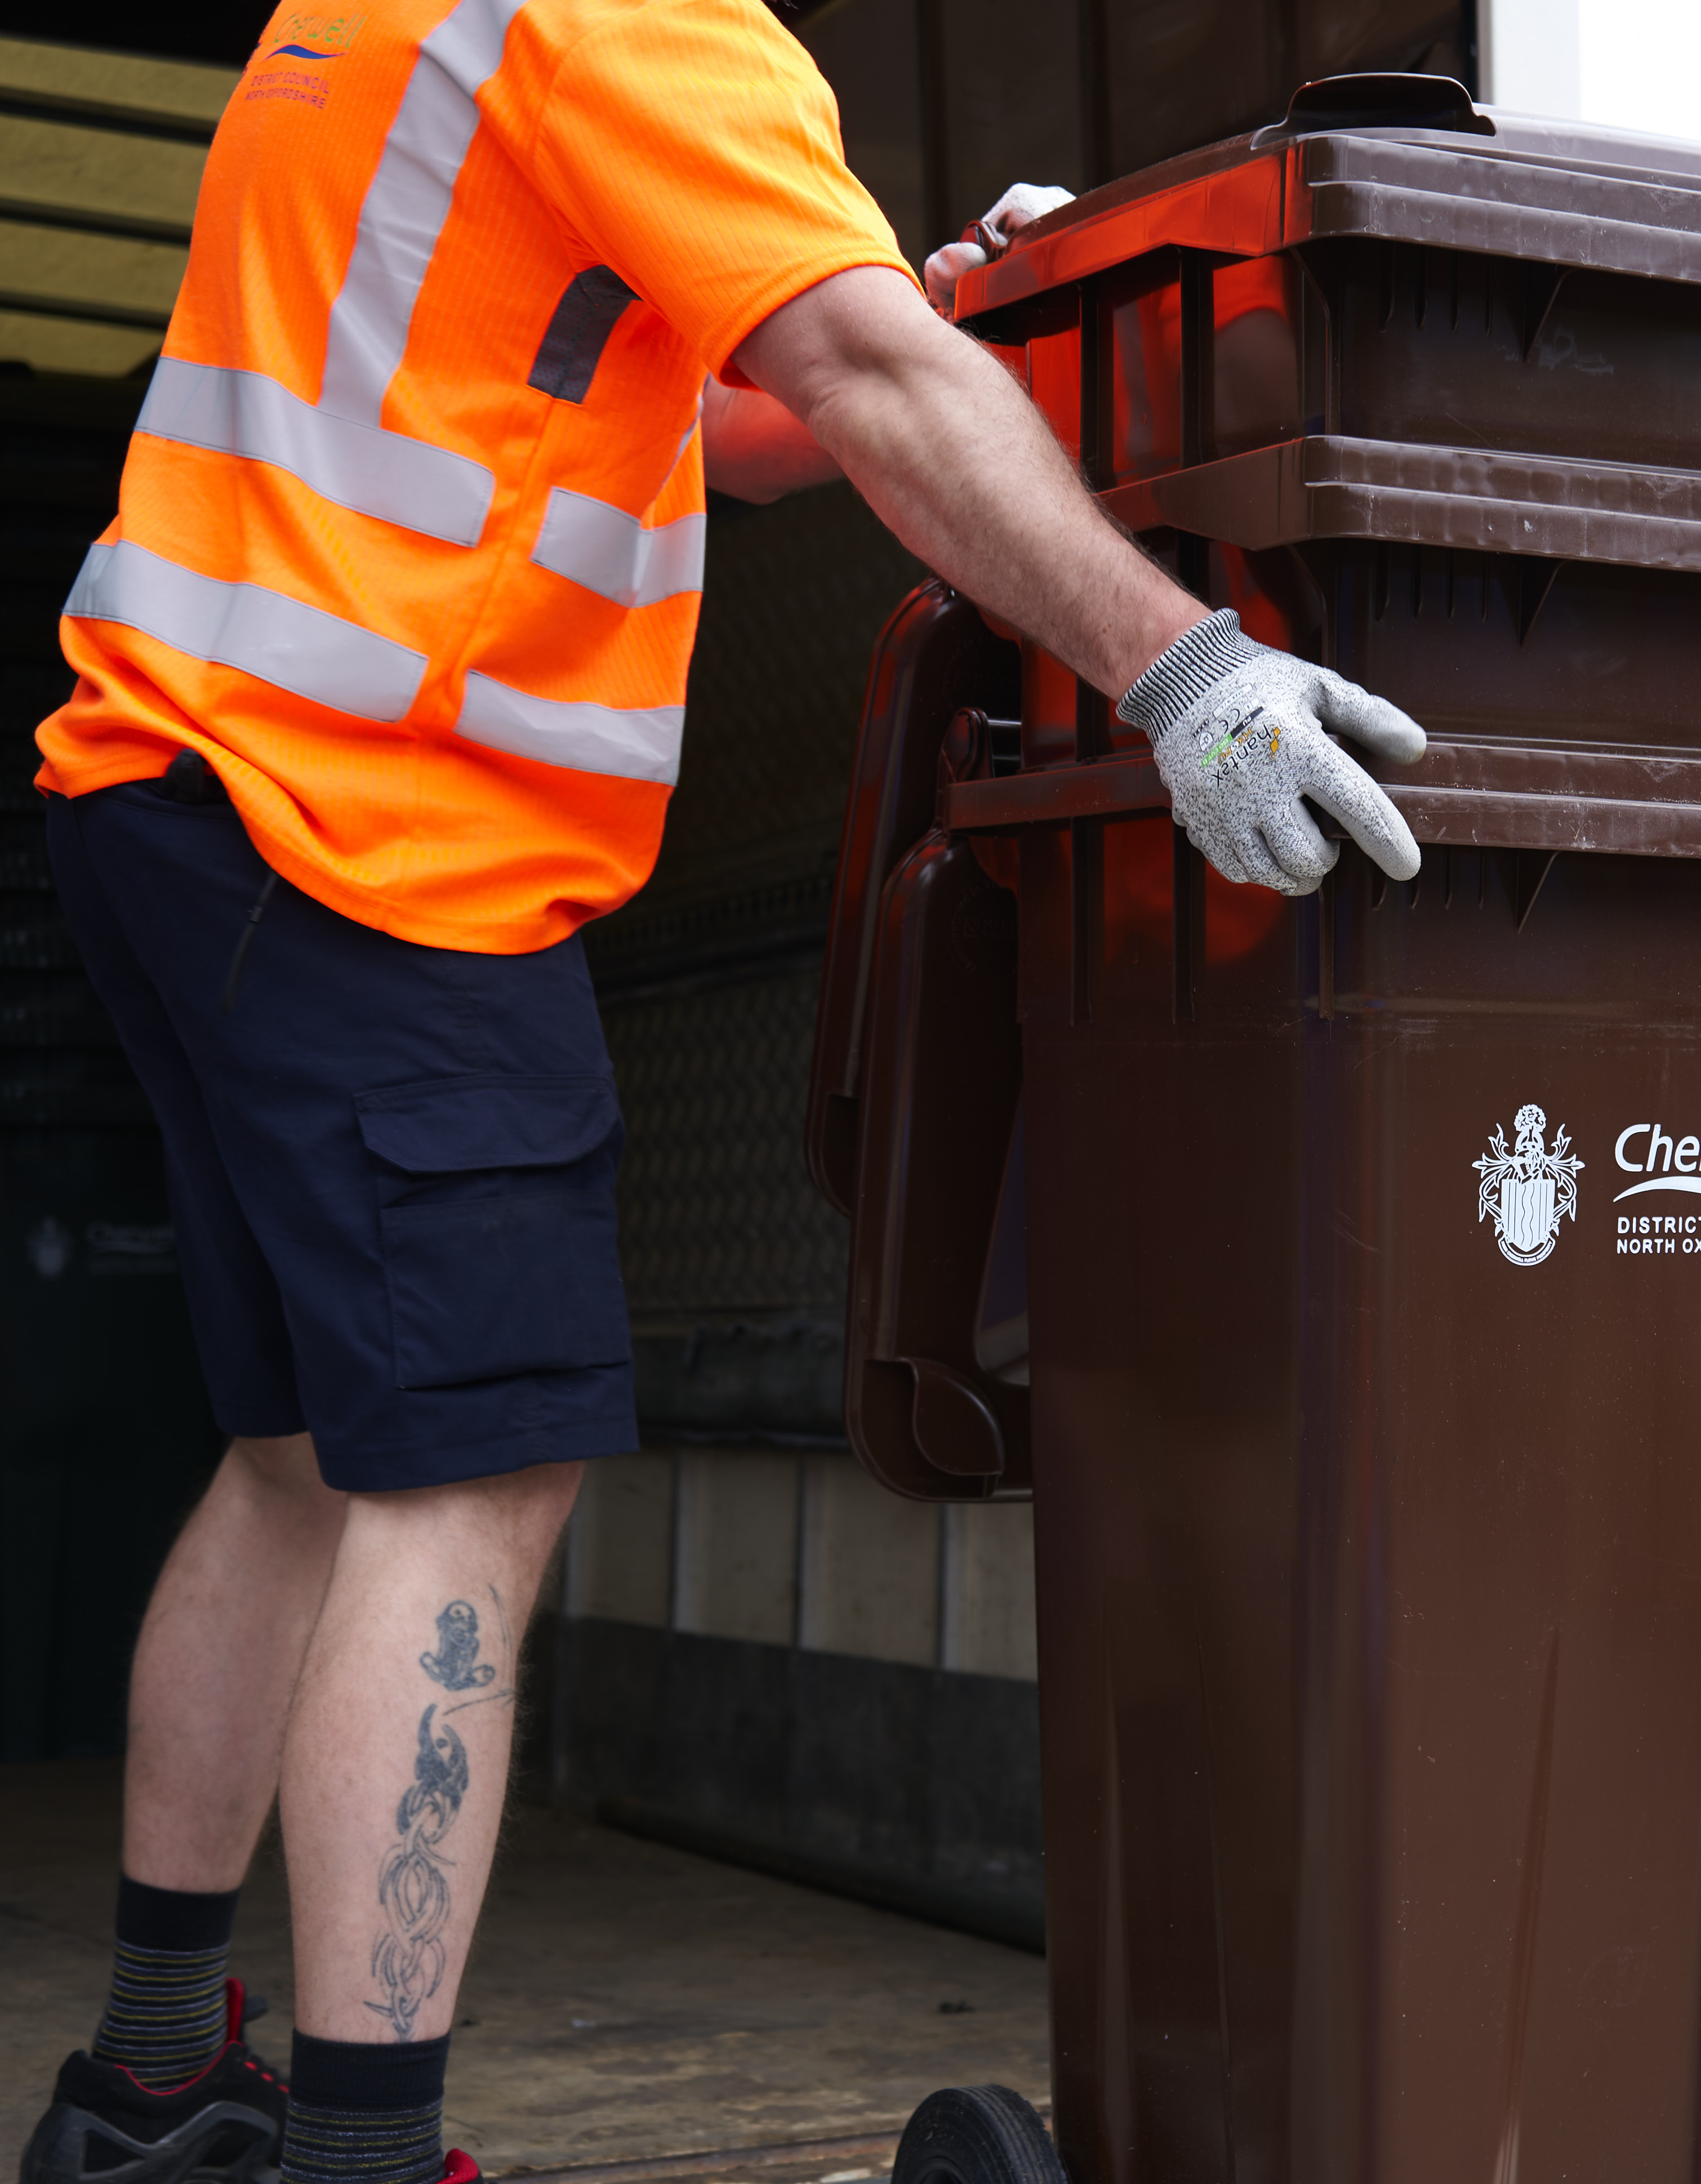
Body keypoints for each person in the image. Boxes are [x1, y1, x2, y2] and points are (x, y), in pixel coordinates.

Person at [19, 7, 1426, 2184]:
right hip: (377, 833)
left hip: (181, 782)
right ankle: (362, 2155)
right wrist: (1189, 670)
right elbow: (858, 383)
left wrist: (930, 315)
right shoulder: (648, 18)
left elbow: (718, 419)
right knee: (470, 1478)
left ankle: (148, 2081)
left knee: (299, 1460)